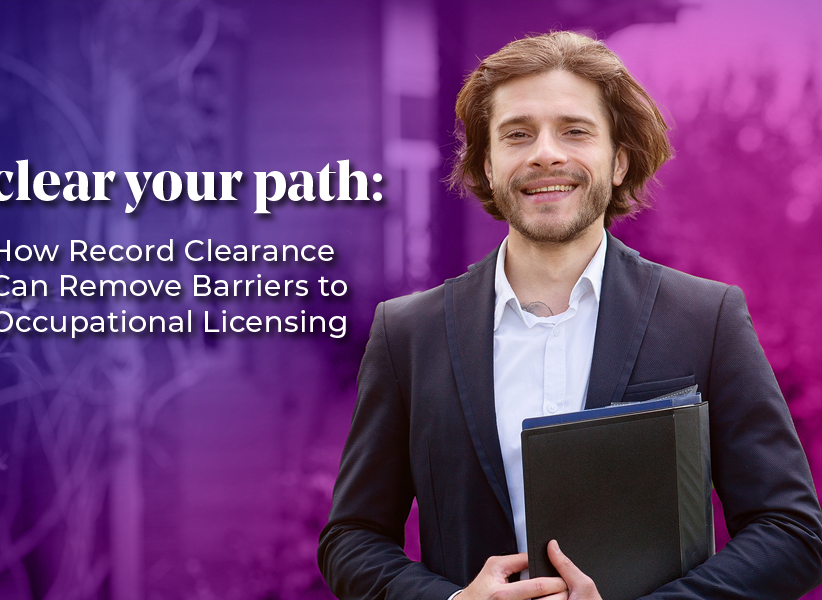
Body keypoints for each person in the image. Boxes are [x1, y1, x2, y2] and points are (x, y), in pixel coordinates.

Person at [318, 31, 822, 600]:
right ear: (486, 165)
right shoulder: (406, 335)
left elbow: (792, 532)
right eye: (517, 134)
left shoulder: (707, 319)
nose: (545, 153)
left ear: (618, 161)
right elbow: (352, 538)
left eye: (575, 131)